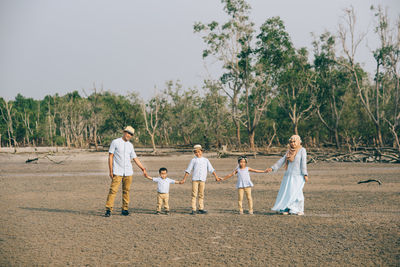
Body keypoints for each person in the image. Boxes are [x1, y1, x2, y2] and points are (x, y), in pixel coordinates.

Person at [105, 126, 147, 217]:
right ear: (124, 132)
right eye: (128, 133)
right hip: (117, 171)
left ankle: (125, 209)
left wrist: (142, 168)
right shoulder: (115, 142)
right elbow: (111, 156)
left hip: (128, 171)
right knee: (113, 190)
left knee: (126, 191)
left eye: (131, 134)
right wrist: (111, 171)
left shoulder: (130, 145)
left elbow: (135, 158)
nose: (129, 135)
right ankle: (108, 209)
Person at [266, 135, 308, 215]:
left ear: (299, 142)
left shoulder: (302, 150)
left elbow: (303, 164)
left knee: (297, 193)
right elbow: (281, 161)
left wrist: (305, 174)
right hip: (288, 175)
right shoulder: (289, 151)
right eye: (291, 142)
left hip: (298, 175)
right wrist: (272, 168)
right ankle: (287, 208)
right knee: (287, 192)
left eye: (294, 141)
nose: (293, 143)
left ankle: (298, 210)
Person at [182, 144, 220, 215]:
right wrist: (184, 179)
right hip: (195, 180)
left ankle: (201, 208)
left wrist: (216, 177)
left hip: (202, 180)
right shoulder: (193, 160)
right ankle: (193, 209)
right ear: (194, 153)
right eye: (196, 152)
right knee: (194, 194)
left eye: (199, 151)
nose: (198, 153)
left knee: (201, 194)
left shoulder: (206, 160)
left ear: (201, 151)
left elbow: (211, 169)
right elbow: (188, 170)